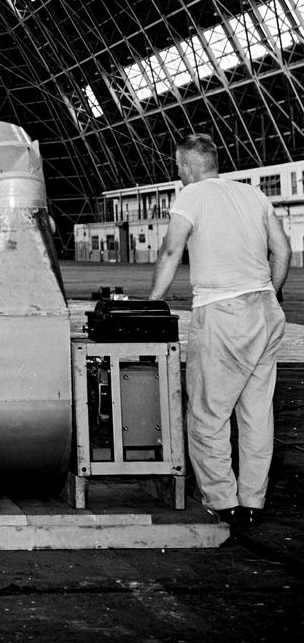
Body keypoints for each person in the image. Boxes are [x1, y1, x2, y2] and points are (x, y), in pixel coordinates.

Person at [149, 134, 290, 527]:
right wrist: (271, 294)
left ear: (190, 167)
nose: (178, 174)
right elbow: (282, 252)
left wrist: (152, 303)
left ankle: (221, 501)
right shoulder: (254, 196)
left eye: (179, 167)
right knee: (256, 412)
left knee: (209, 412)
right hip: (265, 310)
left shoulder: (191, 196)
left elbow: (172, 251)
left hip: (222, 311)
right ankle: (252, 501)